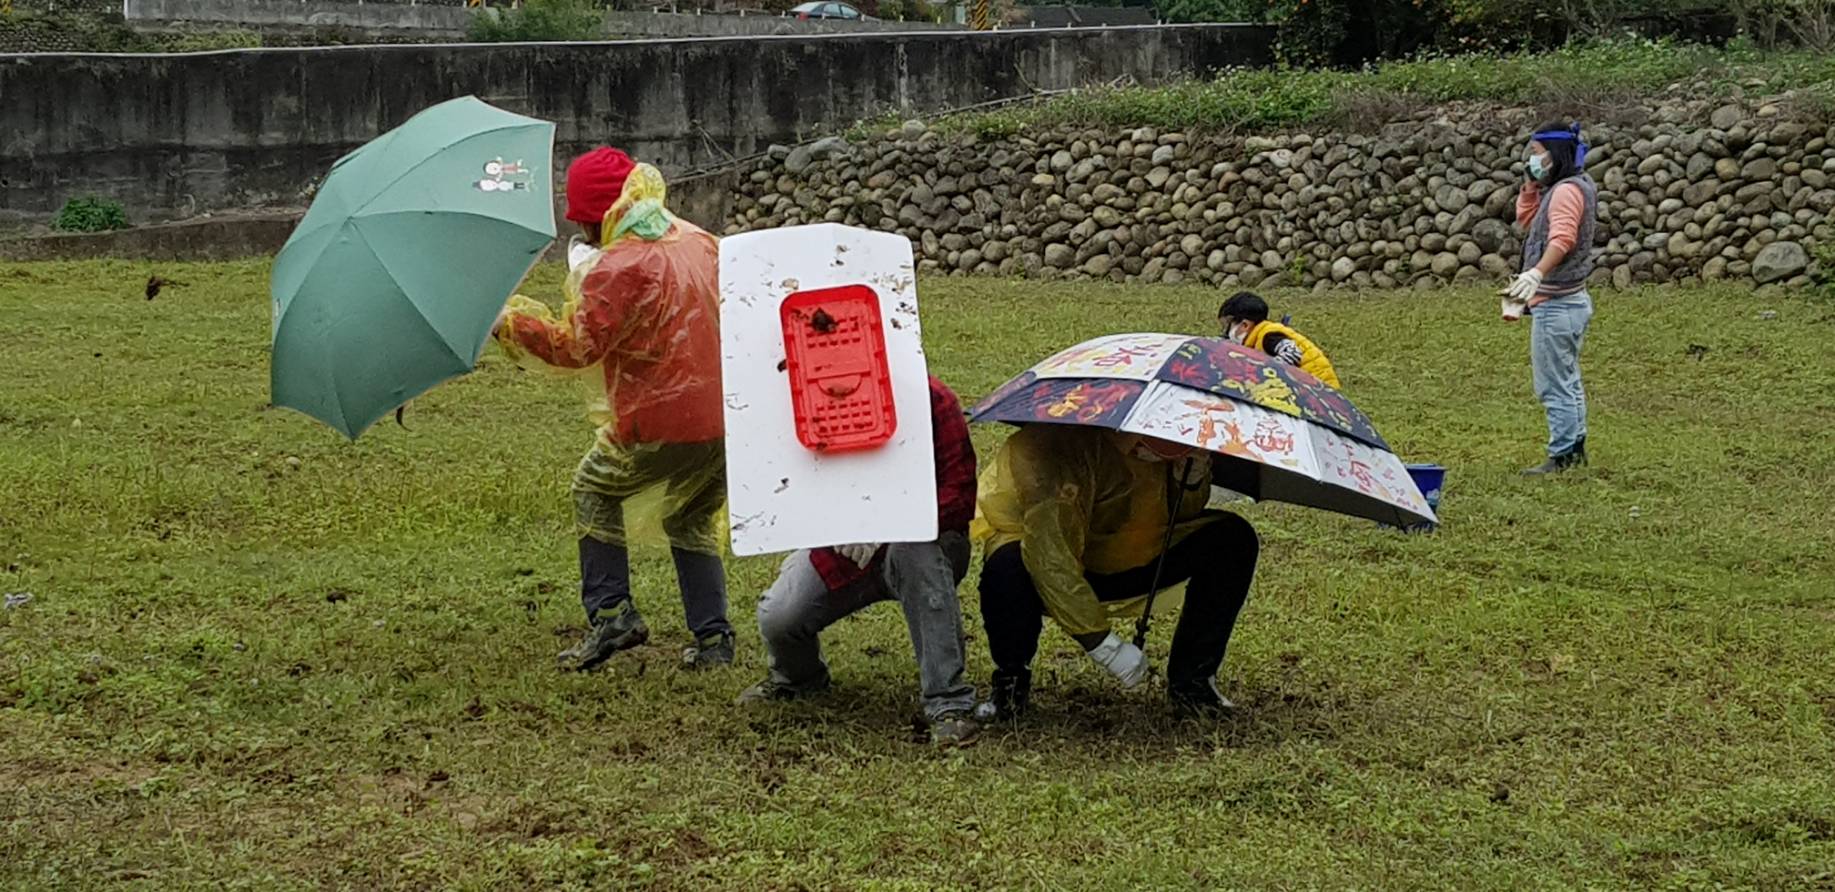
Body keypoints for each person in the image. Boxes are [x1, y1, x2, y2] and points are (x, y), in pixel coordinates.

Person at [493, 147, 735, 671]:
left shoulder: (618, 265)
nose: (575, 227)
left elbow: (576, 348)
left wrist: (508, 321)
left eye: (578, 218)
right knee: (689, 516)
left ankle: (611, 613)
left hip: (655, 421)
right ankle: (714, 639)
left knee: (592, 489)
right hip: (724, 420)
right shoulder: (699, 241)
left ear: (596, 214)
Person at [737, 376, 983, 746]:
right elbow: (788, 485)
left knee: (917, 557)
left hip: (926, 543)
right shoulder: (806, 404)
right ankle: (798, 679)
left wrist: (889, 523)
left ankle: (949, 702)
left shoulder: (932, 399)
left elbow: (960, 494)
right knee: (780, 615)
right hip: (842, 547)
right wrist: (836, 522)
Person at [973, 425, 1259, 719]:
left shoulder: (1172, 437)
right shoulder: (1048, 447)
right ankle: (1010, 681)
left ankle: (1194, 683)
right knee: (1006, 567)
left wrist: (1188, 482)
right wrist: (1102, 644)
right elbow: (1049, 553)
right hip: (1044, 559)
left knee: (1232, 538)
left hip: (1131, 552)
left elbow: (1177, 516)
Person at [1502, 121, 1597, 476]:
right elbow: (1532, 224)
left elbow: (1562, 238)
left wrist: (1536, 273)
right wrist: (1529, 189)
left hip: (1557, 305)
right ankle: (1575, 445)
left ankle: (1562, 453)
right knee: (1567, 378)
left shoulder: (1566, 193)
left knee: (1552, 384)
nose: (1531, 159)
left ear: (1555, 154)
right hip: (1571, 302)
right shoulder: (1570, 187)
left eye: (1537, 153)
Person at [1217, 292, 1342, 388]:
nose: (1226, 333)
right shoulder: (1258, 336)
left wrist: (1266, 371)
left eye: (1227, 326)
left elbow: (1293, 352)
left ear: (1245, 325)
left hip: (1320, 389)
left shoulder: (1268, 335)